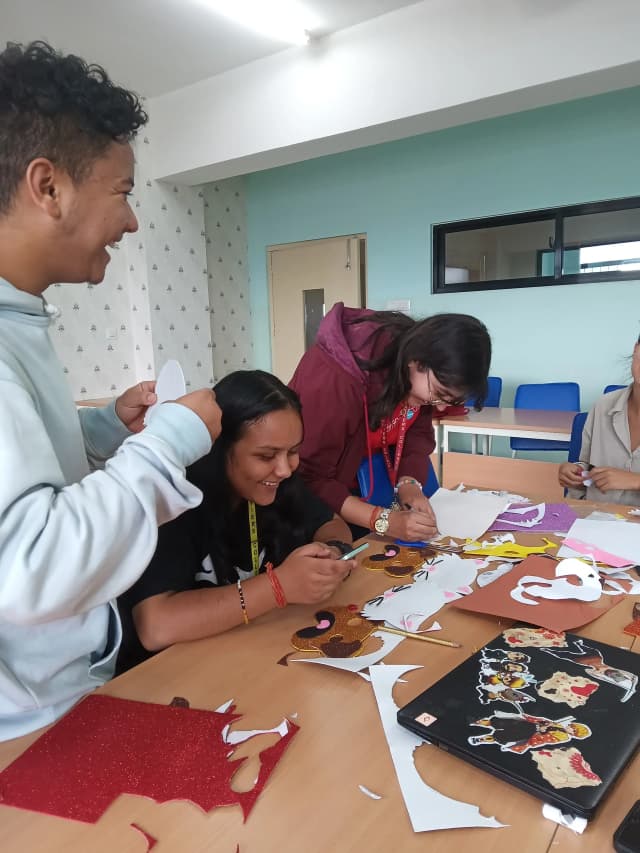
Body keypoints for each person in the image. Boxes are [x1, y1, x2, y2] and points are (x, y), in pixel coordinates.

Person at [0, 41, 222, 741]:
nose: (131, 222)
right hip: (21, 725)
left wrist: (99, 433)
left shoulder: (19, 318)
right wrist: (171, 440)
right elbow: (28, 568)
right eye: (123, 192)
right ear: (49, 187)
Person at [117, 370, 355, 672]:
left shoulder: (278, 485)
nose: (284, 469)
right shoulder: (176, 501)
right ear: (220, 447)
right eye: (266, 456)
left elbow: (332, 523)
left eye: (293, 452)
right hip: (172, 678)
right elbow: (155, 627)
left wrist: (331, 552)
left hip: (246, 660)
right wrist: (277, 587)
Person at [289, 303, 491, 541]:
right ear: (417, 361)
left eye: (449, 400)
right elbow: (309, 477)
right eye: (439, 393)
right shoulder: (338, 378)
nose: (439, 407)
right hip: (309, 502)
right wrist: (382, 521)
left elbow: (416, 434)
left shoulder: (415, 377)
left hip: (363, 492)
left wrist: (409, 484)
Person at [559, 336, 640, 505]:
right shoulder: (604, 405)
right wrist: (574, 473)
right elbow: (587, 466)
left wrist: (636, 481)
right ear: (636, 348)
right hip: (595, 520)